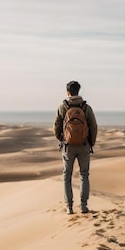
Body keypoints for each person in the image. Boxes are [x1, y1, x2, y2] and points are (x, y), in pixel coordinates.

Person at [53, 80, 98, 215]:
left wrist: (61, 138)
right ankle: (84, 206)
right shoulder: (86, 107)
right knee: (84, 175)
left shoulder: (63, 107)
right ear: (79, 91)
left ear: (68, 92)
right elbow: (94, 126)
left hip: (68, 146)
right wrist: (91, 142)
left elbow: (56, 126)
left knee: (67, 176)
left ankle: (69, 207)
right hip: (84, 145)